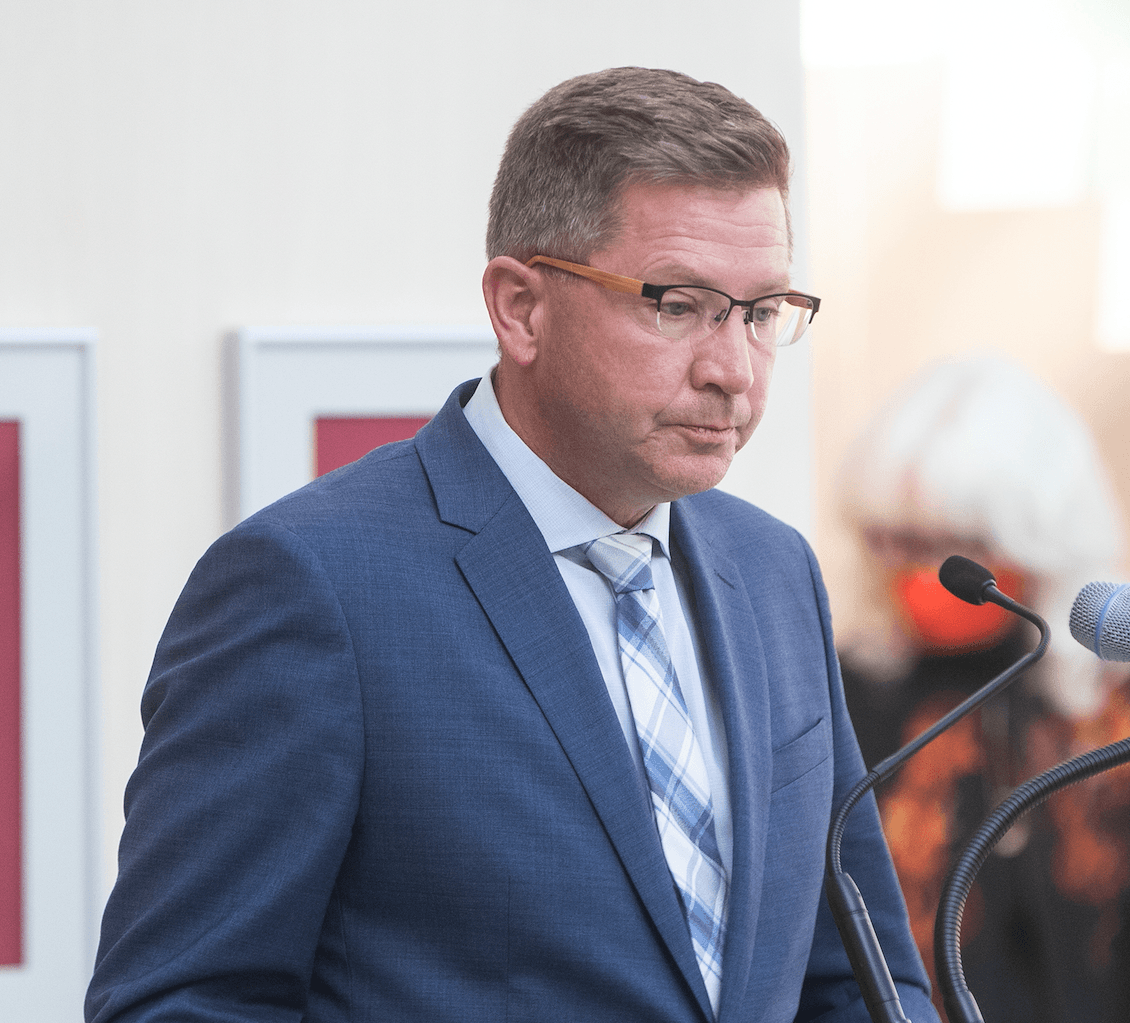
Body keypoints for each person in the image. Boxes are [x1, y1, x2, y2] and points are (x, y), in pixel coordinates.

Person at [86, 67, 937, 1023]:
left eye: (762, 311)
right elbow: (180, 1003)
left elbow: (858, 982)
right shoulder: (311, 585)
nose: (733, 369)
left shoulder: (775, 572)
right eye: (678, 303)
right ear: (519, 308)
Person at [835, 354, 1130, 1022]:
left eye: (953, 546)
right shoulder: (846, 697)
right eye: (900, 544)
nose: (921, 574)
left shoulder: (1107, 714)